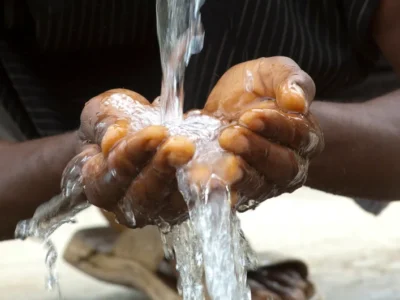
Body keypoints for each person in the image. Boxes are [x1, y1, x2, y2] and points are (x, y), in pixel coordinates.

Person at [0, 0, 399, 299]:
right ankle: (149, 231)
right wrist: (93, 153)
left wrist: (295, 130)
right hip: (50, 81)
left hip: (313, 53)